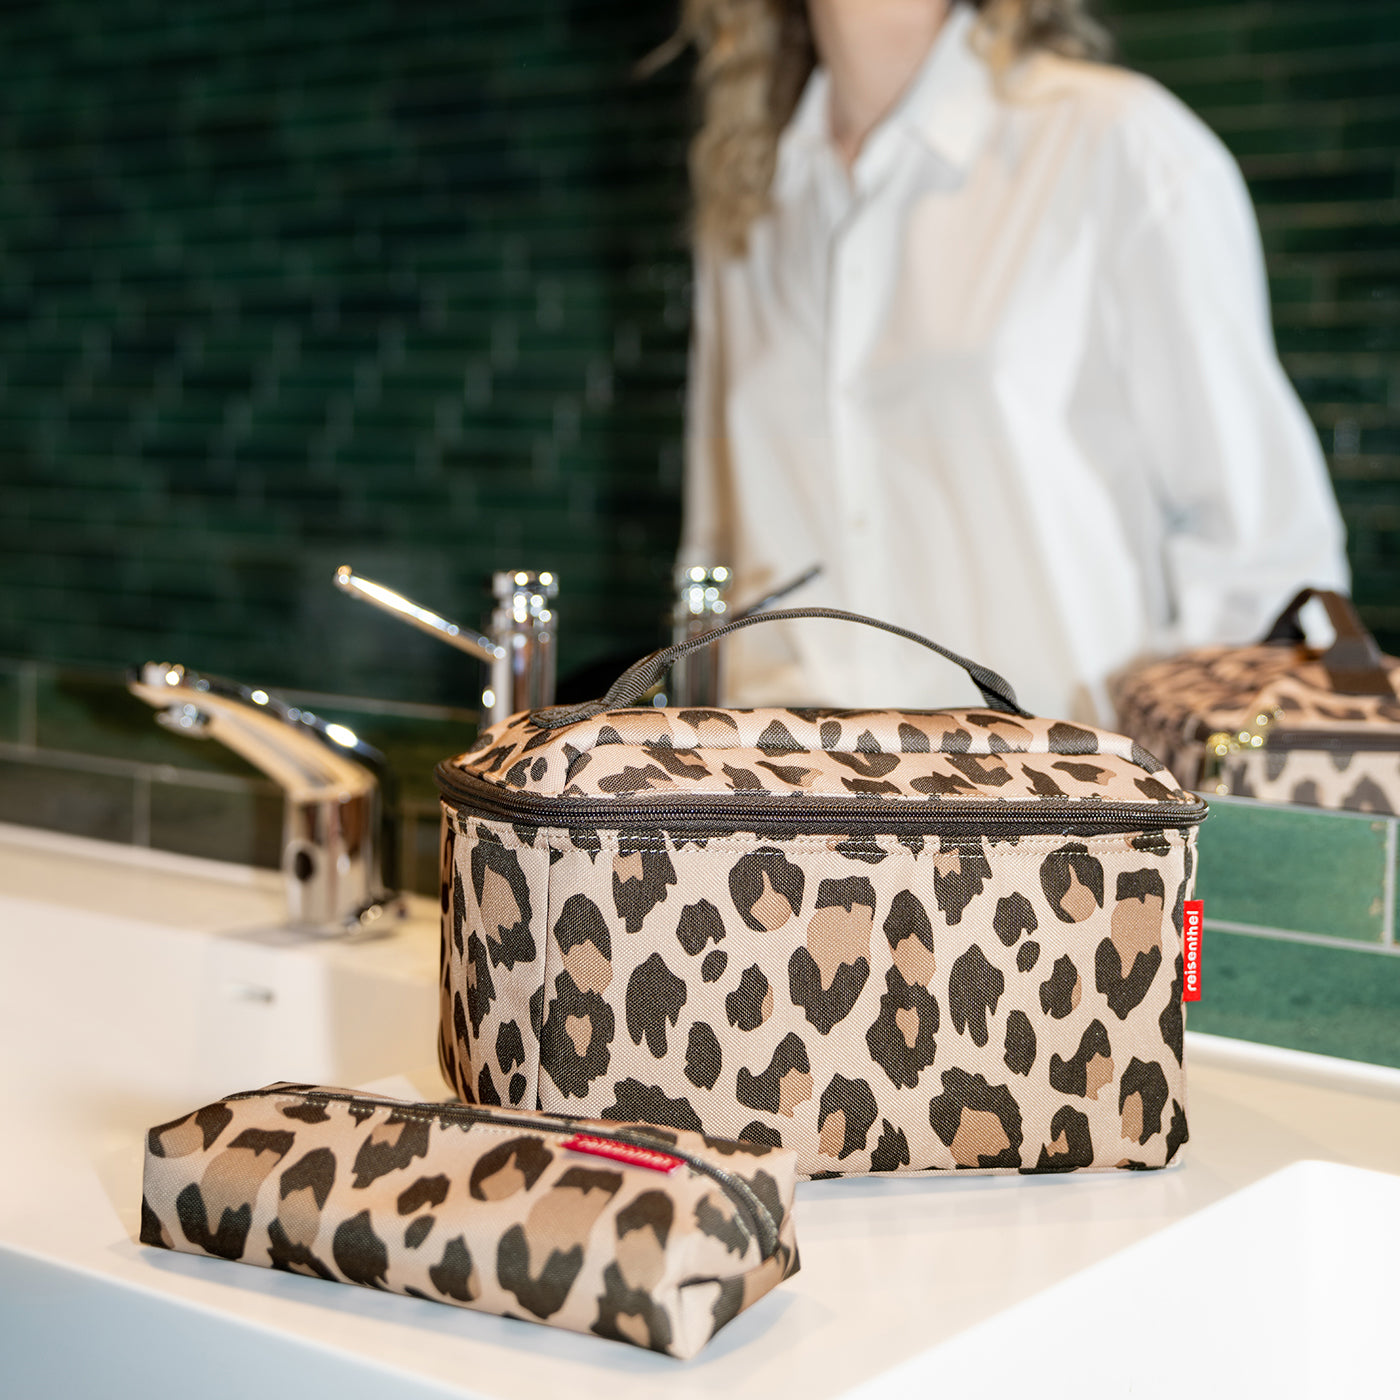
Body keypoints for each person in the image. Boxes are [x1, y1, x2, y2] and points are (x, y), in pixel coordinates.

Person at [675, 0, 1349, 722]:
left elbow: (1262, 563)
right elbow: (715, 549)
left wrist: (1177, 774)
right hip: (780, 778)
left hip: (1063, 779)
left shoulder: (1117, 143)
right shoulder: (749, 196)